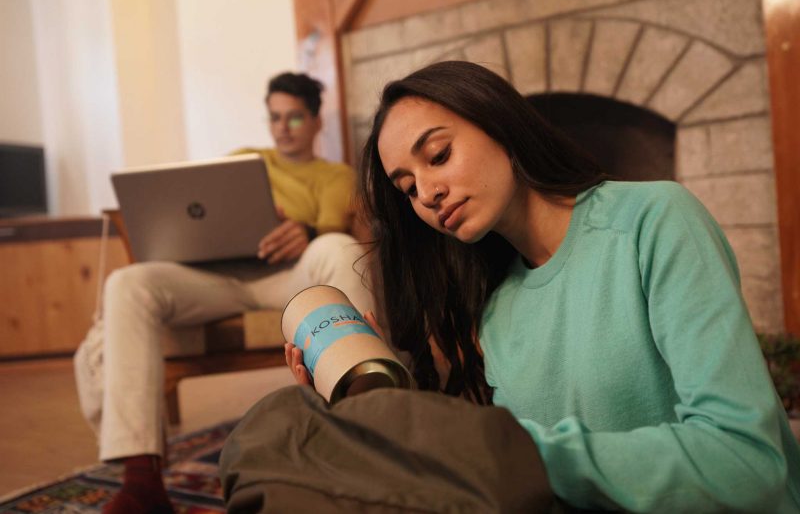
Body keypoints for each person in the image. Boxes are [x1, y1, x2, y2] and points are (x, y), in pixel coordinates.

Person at [282, 61, 800, 511]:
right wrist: (391, 423)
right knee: (283, 437)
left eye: (438, 155)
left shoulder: (653, 220)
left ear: (499, 124)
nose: (429, 193)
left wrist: (508, 450)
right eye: (408, 187)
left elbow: (746, 464)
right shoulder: (497, 307)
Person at [75, 72, 375, 514]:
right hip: (217, 277)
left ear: (315, 123)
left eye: (294, 118)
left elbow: (330, 230)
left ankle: (368, 413)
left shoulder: (334, 175)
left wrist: (305, 230)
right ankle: (142, 479)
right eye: (274, 117)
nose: (282, 127)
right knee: (127, 282)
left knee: (339, 246)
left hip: (289, 278)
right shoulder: (243, 160)